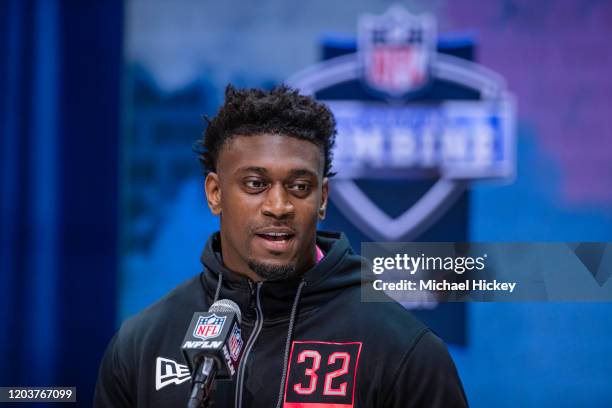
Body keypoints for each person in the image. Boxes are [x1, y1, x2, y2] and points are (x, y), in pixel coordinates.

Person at [94, 85, 468, 407]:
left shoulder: (402, 348)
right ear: (215, 194)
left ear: (322, 199)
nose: (279, 206)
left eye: (300, 187)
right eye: (255, 184)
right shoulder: (141, 344)